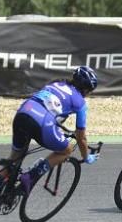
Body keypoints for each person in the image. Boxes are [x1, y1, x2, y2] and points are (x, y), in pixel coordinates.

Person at [9, 66, 99, 194]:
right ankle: (30, 176)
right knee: (66, 150)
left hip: (23, 113)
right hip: (42, 123)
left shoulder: (56, 83)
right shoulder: (81, 103)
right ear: (86, 89)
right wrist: (86, 157)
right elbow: (81, 137)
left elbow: (49, 106)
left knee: (14, 158)